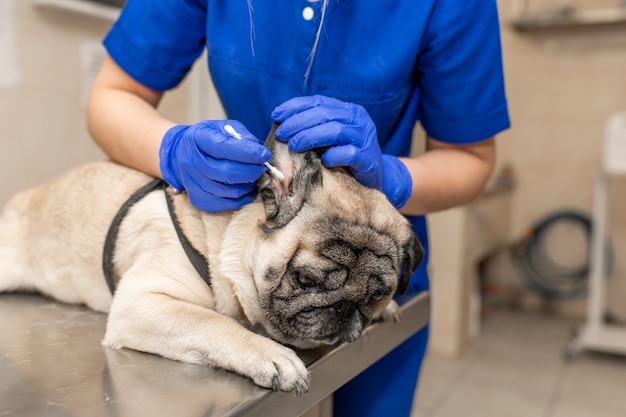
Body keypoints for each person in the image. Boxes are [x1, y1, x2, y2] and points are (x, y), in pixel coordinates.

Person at [87, 1, 510, 415]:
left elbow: (471, 158)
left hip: (383, 255)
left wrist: (392, 176)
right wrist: (171, 149)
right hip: (241, 239)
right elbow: (113, 96)